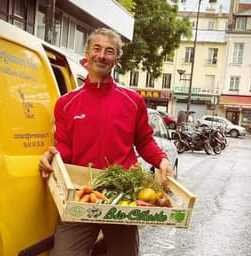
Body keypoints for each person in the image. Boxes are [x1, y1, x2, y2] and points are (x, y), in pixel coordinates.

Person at [39, 27, 175, 256]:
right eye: (97, 48)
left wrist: (162, 160)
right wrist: (52, 155)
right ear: (87, 53)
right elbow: (65, 146)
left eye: (109, 51)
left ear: (116, 59)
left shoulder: (133, 101)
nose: (102, 55)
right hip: (82, 194)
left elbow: (145, 142)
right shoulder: (66, 103)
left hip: (122, 197)